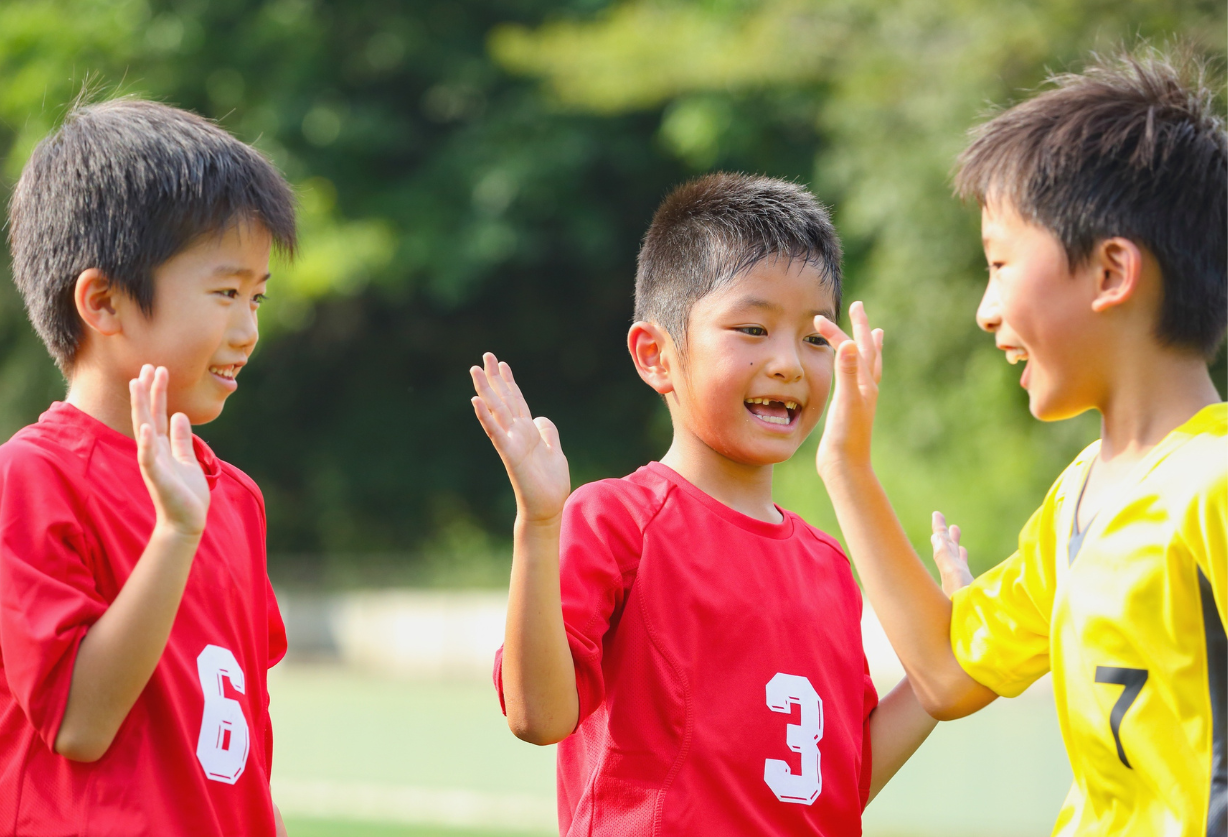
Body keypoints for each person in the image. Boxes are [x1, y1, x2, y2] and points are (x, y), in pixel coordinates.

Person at [813, 49, 1226, 837]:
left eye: (1000, 264)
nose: (986, 310)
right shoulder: (1078, 498)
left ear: (1111, 272)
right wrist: (846, 468)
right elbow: (944, 671)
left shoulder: (1215, 483)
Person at [470, 173, 947, 836]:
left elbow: (831, 782)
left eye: (815, 337)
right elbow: (539, 715)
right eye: (752, 328)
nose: (787, 362)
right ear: (656, 355)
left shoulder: (830, 563)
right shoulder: (616, 521)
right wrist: (539, 523)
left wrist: (946, 664)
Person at [0, 98, 297, 836]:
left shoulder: (235, 497)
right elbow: (80, 723)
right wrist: (173, 534)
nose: (247, 329)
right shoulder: (31, 477)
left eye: (257, 296)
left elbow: (242, 743)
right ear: (104, 300)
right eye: (224, 292)